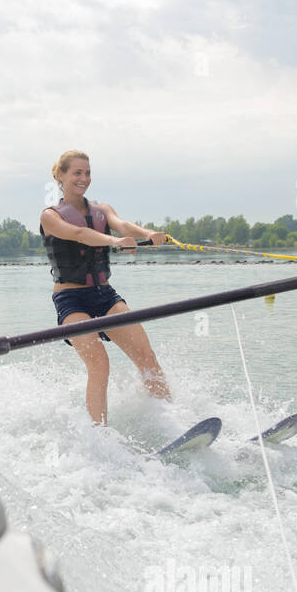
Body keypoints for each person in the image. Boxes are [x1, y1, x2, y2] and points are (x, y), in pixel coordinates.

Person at [40, 150, 171, 425]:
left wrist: (149, 235)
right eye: (77, 173)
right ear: (60, 176)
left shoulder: (102, 209)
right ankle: (99, 437)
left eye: (87, 173)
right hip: (71, 299)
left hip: (104, 296)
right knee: (100, 365)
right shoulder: (50, 216)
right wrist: (114, 242)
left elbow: (121, 224)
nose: (83, 178)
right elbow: (78, 234)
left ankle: (171, 421)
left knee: (147, 358)